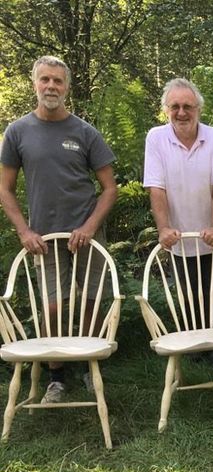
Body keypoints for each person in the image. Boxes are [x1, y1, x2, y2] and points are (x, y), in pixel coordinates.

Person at [0, 55, 117, 403]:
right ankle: (56, 377)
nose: (51, 86)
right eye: (45, 80)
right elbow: (4, 188)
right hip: (43, 239)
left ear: (66, 87)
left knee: (94, 303)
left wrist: (90, 227)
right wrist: (24, 231)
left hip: (87, 235)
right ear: (35, 84)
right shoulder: (17, 131)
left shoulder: (84, 131)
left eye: (58, 81)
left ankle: (88, 365)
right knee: (52, 307)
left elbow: (110, 188)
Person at [143, 78, 213, 368]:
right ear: (166, 110)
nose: (181, 112)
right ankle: (195, 343)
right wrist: (163, 229)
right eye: (175, 106)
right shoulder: (156, 138)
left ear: (199, 109)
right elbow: (156, 187)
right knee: (188, 293)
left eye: (188, 106)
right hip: (179, 236)